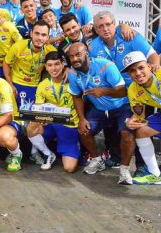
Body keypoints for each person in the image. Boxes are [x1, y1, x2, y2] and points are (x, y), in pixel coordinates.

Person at [67, 42, 135, 185]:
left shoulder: (105, 65)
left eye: (78, 55)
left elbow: (123, 91)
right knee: (84, 130)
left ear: (86, 53)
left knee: (126, 135)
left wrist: (104, 91)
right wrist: (82, 118)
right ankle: (97, 159)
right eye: (71, 56)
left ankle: (124, 169)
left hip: (122, 106)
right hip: (99, 109)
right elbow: (76, 95)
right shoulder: (72, 73)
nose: (74, 59)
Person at [27, 51, 79, 172]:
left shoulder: (73, 79)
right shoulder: (43, 84)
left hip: (69, 124)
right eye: (50, 65)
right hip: (51, 123)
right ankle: (48, 154)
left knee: (69, 168)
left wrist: (71, 70)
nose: (53, 68)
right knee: (31, 126)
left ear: (63, 64)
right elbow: (38, 108)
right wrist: (42, 118)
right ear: (46, 67)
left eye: (57, 64)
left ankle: (76, 145)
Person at [90, 11, 159, 87]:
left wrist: (154, 68)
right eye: (101, 26)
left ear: (114, 24)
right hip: (114, 91)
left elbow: (151, 54)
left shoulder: (129, 34)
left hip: (137, 86)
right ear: (96, 30)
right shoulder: (92, 47)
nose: (105, 29)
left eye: (108, 24)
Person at [122, 51, 161, 184]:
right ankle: (155, 174)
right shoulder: (133, 89)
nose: (138, 73)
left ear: (149, 66)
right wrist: (131, 121)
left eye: (141, 67)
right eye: (133, 71)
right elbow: (139, 115)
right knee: (141, 131)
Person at [3, 20, 56, 108]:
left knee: (30, 116)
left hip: (36, 86)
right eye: (37, 33)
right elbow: (6, 63)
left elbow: (60, 65)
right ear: (31, 33)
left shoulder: (51, 50)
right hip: (16, 83)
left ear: (47, 37)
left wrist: (67, 69)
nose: (39, 38)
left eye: (43, 35)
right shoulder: (18, 46)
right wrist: (10, 84)